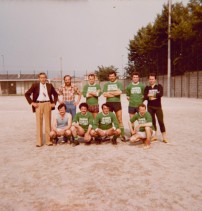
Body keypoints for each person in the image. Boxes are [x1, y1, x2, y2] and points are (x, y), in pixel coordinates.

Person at [25, 72, 58, 147]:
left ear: (46, 78)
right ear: (39, 78)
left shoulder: (49, 85)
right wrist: (32, 103)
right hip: (38, 104)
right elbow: (27, 94)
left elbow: (55, 94)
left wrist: (54, 103)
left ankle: (48, 140)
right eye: (41, 77)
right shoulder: (35, 85)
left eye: (44, 77)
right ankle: (39, 142)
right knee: (39, 123)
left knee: (48, 123)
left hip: (48, 104)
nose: (43, 79)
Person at [143, 73, 168, 143]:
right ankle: (155, 136)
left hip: (158, 107)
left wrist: (150, 95)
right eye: (150, 79)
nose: (151, 80)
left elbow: (160, 94)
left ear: (155, 79)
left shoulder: (159, 86)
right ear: (148, 80)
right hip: (150, 107)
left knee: (160, 121)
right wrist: (153, 96)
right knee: (152, 122)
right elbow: (145, 96)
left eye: (152, 79)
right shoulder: (147, 88)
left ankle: (164, 137)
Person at [102, 70, 126, 142]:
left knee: (119, 119)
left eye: (113, 76)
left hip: (117, 103)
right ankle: (107, 135)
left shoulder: (119, 83)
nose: (111, 77)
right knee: (108, 119)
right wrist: (114, 93)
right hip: (108, 103)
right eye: (110, 76)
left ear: (115, 76)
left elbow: (120, 92)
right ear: (108, 77)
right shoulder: (106, 84)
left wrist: (110, 93)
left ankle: (122, 135)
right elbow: (104, 94)